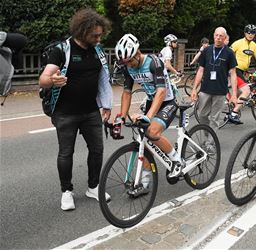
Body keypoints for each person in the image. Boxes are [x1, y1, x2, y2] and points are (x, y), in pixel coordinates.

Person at [39, 8, 112, 211]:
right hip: (65, 113)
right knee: (66, 153)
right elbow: (43, 79)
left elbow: (103, 79)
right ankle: (66, 192)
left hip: (90, 111)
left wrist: (106, 103)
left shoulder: (97, 51)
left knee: (97, 150)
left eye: (100, 34)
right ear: (82, 31)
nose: (98, 38)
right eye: (94, 35)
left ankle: (93, 187)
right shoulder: (62, 50)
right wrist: (52, 80)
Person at [114, 33, 184, 193]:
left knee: (151, 131)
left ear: (137, 53)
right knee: (141, 139)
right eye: (125, 63)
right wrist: (121, 117)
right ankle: (144, 184)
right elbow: (126, 92)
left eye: (130, 61)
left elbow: (161, 91)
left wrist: (148, 116)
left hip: (167, 101)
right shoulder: (128, 67)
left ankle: (177, 161)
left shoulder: (154, 62)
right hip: (152, 102)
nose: (129, 65)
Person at [191, 27, 238, 132]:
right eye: (216, 35)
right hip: (205, 89)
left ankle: (210, 144)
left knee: (214, 118)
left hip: (220, 91)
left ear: (225, 37)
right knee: (202, 115)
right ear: (213, 36)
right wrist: (194, 89)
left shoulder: (229, 53)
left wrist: (234, 94)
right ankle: (208, 134)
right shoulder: (207, 51)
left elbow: (233, 74)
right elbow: (200, 70)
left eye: (221, 36)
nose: (218, 38)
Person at [229, 24, 256, 124]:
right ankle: (233, 113)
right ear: (244, 33)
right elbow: (228, 53)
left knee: (240, 93)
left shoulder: (253, 45)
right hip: (235, 70)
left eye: (253, 33)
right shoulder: (238, 43)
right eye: (248, 32)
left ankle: (231, 107)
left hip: (243, 71)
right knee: (246, 91)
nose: (250, 34)